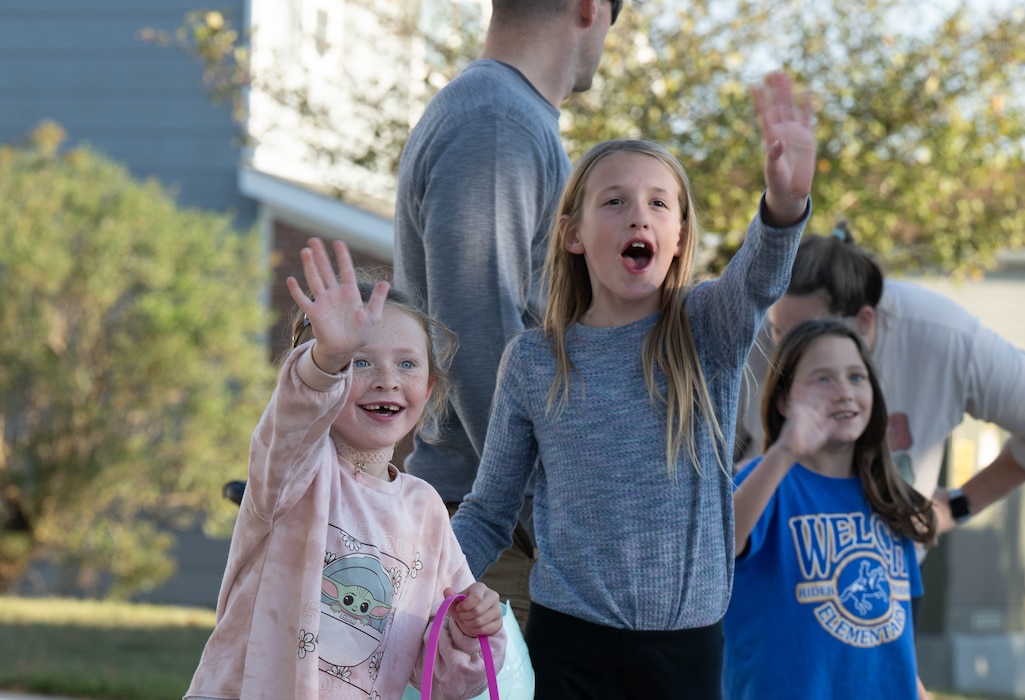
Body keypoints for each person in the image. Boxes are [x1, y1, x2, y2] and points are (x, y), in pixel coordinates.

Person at [451, 71, 816, 698]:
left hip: (687, 654)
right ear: (573, 235)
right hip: (568, 647)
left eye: (657, 202)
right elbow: (487, 513)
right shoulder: (535, 360)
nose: (637, 215)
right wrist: (407, 569)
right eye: (613, 201)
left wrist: (783, 208)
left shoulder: (708, 328)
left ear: (676, 239)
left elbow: (757, 280)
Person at [185, 238, 505, 700]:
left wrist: (473, 628)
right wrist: (324, 362)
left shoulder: (426, 511)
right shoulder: (294, 470)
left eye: (407, 364)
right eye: (360, 361)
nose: (387, 379)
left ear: (429, 387)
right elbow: (292, 421)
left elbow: (446, 680)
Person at [393, 0, 621, 627]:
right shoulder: (496, 121)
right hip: (500, 536)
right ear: (590, 10)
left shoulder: (509, 117)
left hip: (509, 530)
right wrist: (555, 512)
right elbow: (477, 330)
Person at [734, 224, 1025, 536]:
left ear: (864, 322)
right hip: (771, 567)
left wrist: (957, 505)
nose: (785, 351)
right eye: (778, 330)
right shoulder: (751, 334)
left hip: (887, 572)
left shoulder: (945, 337)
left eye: (807, 336)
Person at [723, 318, 935, 699]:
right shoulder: (764, 482)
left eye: (856, 377)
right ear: (784, 401)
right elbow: (718, 548)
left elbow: (893, 638)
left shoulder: (888, 496)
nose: (844, 392)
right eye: (823, 379)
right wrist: (785, 451)